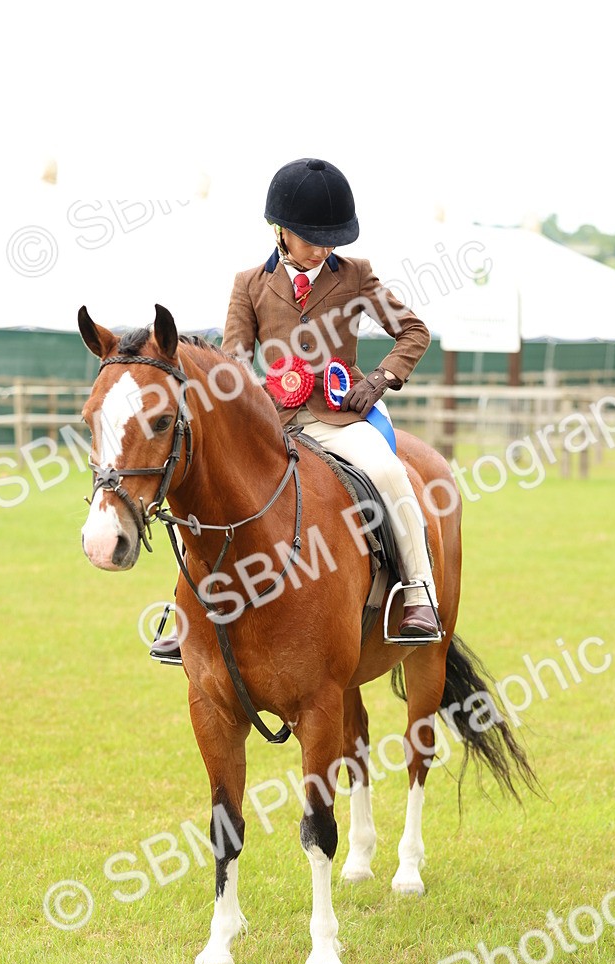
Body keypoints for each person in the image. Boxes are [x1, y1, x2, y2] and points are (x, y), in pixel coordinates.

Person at [151, 157, 439, 664]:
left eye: (332, 240)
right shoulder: (249, 284)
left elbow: (413, 331)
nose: (323, 249)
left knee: (390, 473)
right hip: (273, 422)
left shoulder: (356, 275)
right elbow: (235, 361)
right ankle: (185, 613)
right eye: (312, 239)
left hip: (340, 417)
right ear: (280, 230)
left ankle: (418, 593)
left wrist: (379, 379)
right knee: (209, 493)